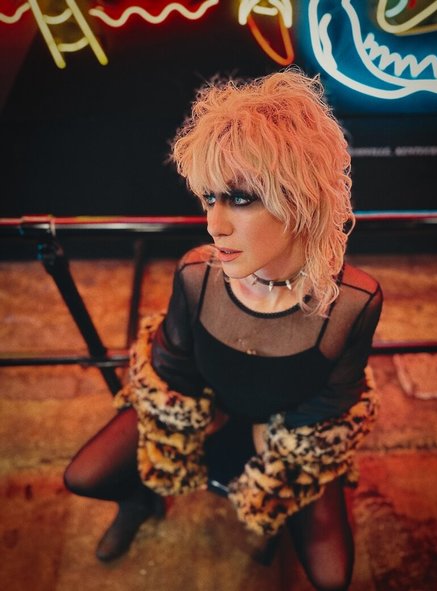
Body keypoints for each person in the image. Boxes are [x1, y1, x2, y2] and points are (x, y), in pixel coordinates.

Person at [64, 68, 382, 591]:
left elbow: (338, 396)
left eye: (240, 198)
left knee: (333, 577)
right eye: (210, 198)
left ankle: (276, 525)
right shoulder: (198, 274)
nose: (215, 224)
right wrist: (196, 417)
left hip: (285, 433)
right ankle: (139, 501)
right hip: (211, 414)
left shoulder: (354, 301)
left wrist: (273, 434)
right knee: (84, 475)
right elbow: (171, 364)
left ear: (301, 198)